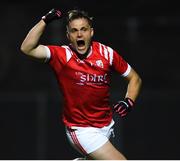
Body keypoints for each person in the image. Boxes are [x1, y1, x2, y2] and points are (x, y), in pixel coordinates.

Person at [20, 8, 142, 160]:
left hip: (106, 125)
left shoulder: (107, 53)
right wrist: (44, 20)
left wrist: (128, 101)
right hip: (81, 130)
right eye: (74, 31)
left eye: (83, 29)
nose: (79, 34)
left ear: (91, 32)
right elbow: (27, 48)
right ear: (68, 36)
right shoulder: (62, 55)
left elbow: (134, 78)